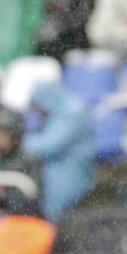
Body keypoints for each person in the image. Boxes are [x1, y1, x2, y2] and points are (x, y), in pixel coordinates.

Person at [24, 82, 95, 222]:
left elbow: (50, 145)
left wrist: (20, 142)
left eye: (38, 107)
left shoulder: (72, 113)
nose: (38, 113)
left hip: (69, 177)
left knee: (61, 219)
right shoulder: (59, 112)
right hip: (57, 176)